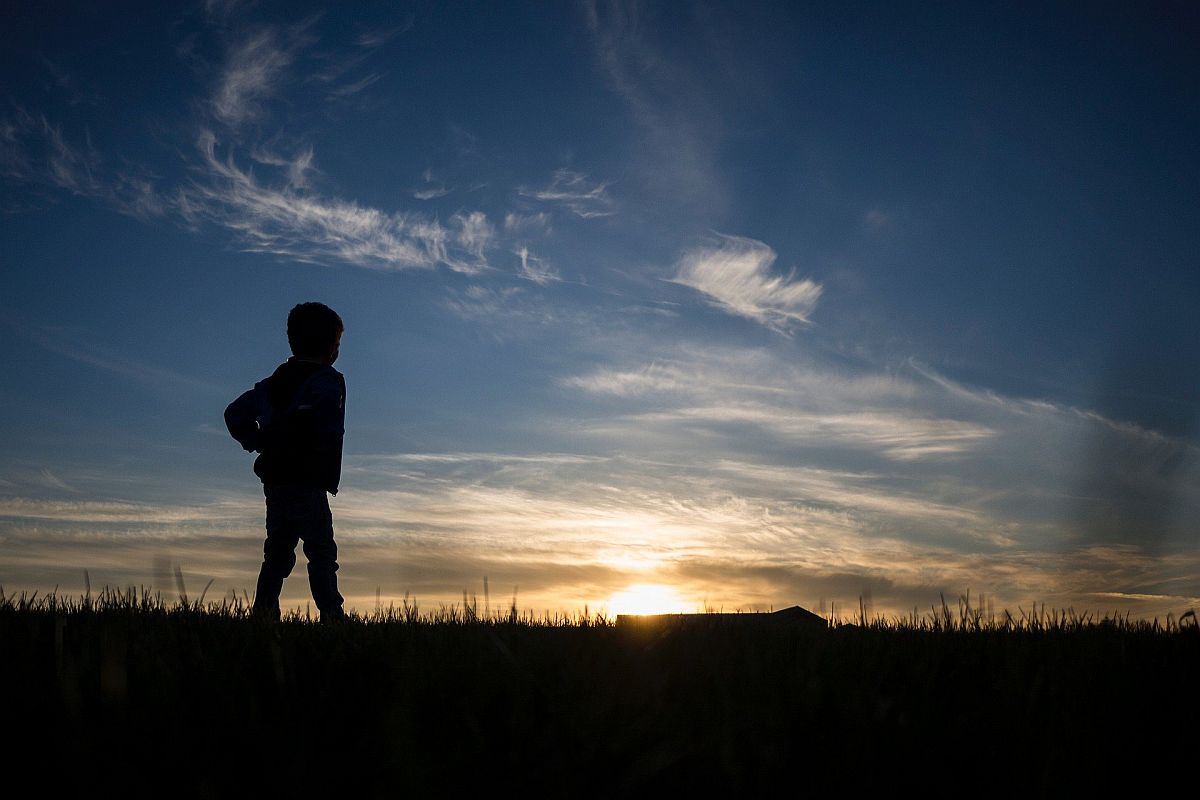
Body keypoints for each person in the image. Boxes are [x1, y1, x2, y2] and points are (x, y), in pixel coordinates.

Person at [224, 302, 347, 623]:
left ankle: (264, 610)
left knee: (277, 551)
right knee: (321, 551)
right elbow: (319, 422)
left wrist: (258, 441)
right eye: (337, 343)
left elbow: (234, 413)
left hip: (277, 482)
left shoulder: (271, 384)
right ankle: (332, 614)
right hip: (307, 481)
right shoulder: (326, 381)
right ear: (330, 347)